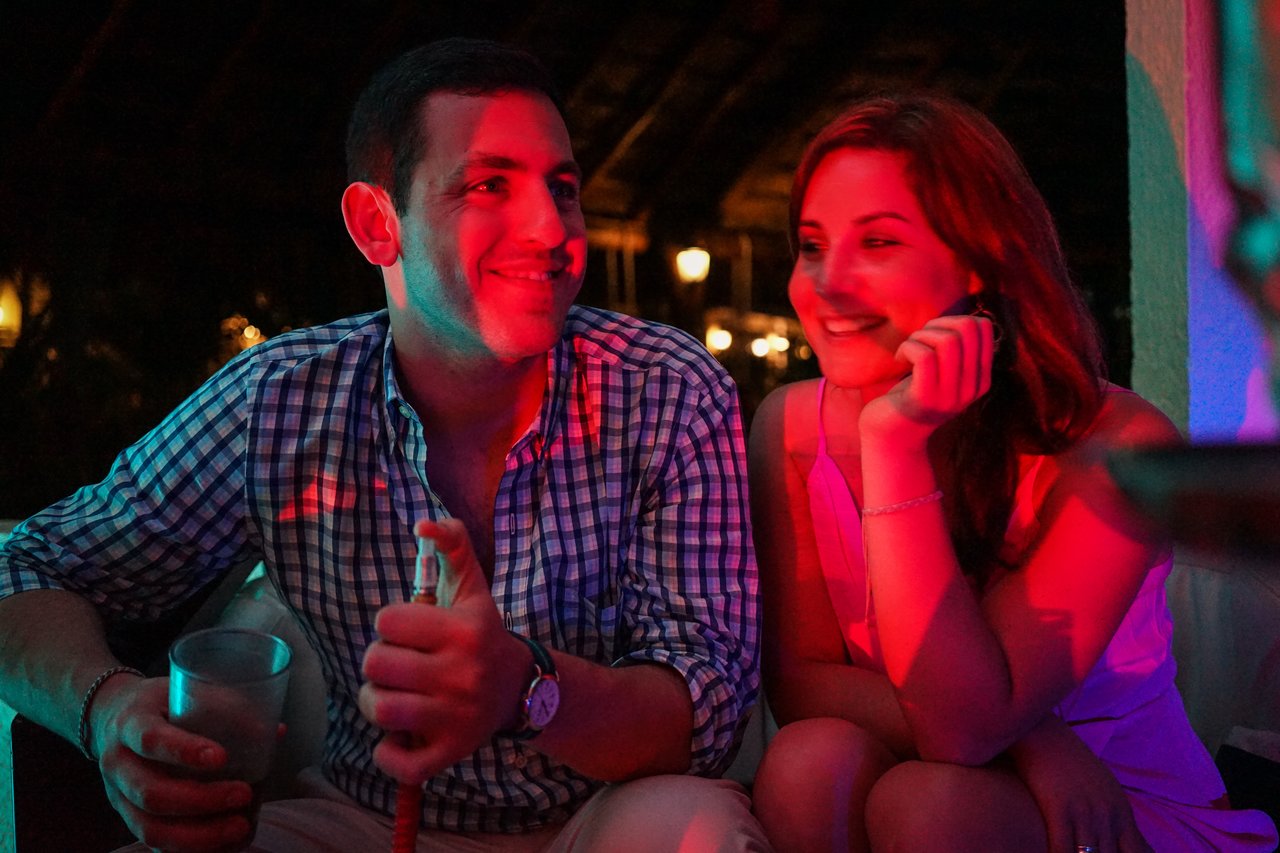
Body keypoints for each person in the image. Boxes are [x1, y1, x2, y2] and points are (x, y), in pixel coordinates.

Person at [0, 38, 768, 852]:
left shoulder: (667, 390)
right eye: (489, 185)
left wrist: (524, 685)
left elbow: (707, 712)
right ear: (377, 225)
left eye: (564, 188)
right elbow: (28, 568)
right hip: (357, 819)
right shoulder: (281, 400)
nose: (551, 229)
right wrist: (107, 708)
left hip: (601, 814)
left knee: (701, 833)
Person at [747, 93, 1279, 852]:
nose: (827, 283)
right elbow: (801, 683)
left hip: (1117, 806)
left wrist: (895, 447)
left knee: (929, 806)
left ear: (978, 259)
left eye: (878, 242)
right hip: (952, 766)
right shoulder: (790, 423)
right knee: (809, 763)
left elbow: (963, 728)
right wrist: (1036, 742)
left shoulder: (1117, 442)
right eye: (811, 244)